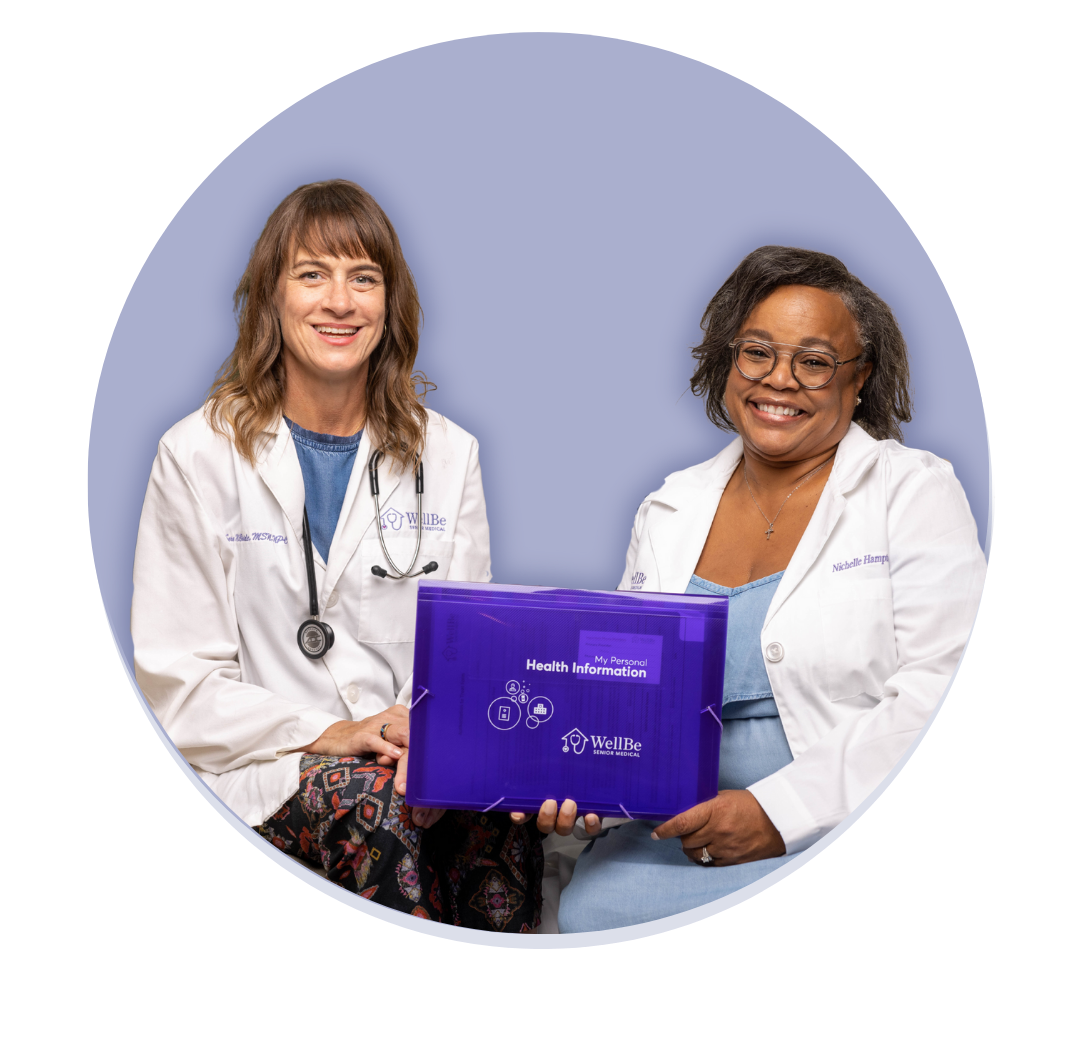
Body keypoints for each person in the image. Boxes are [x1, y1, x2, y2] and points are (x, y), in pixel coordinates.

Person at [131, 179, 543, 931]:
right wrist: (331, 734)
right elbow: (178, 686)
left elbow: (470, 659)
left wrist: (434, 747)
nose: (340, 301)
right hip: (265, 768)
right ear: (271, 297)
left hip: (403, 756)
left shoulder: (448, 454)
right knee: (379, 809)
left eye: (364, 277)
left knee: (497, 823)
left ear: (391, 304)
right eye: (311, 274)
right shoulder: (197, 455)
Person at [553, 245, 987, 933]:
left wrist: (774, 816)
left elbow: (938, 692)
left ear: (859, 377)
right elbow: (623, 695)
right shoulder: (668, 507)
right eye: (758, 351)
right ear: (729, 361)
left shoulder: (913, 494)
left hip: (839, 826)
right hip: (672, 830)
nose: (779, 380)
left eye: (814, 362)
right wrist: (571, 777)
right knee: (589, 914)